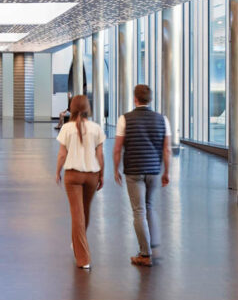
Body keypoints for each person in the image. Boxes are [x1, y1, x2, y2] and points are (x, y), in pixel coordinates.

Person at [113, 84, 171, 267]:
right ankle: (152, 245)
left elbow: (117, 148)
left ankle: (145, 254)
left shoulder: (125, 119)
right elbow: (167, 149)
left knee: (138, 210)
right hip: (153, 170)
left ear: (135, 99)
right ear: (150, 99)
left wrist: (116, 169)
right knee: (149, 206)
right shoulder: (162, 120)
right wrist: (166, 172)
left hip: (133, 170)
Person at [55, 95, 105, 270]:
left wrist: (57, 171)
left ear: (72, 108)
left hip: (73, 175)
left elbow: (62, 154)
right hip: (92, 174)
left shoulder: (67, 128)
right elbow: (100, 154)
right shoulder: (96, 128)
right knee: (84, 211)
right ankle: (77, 243)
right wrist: (102, 174)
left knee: (77, 215)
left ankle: (83, 258)